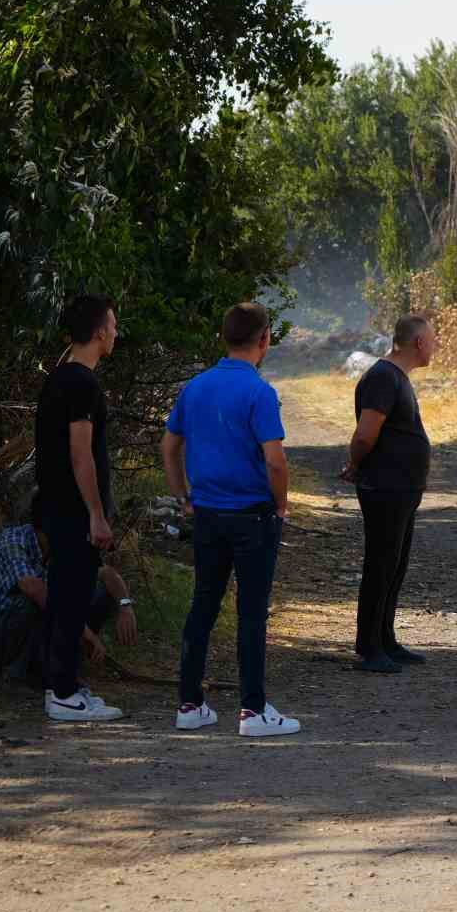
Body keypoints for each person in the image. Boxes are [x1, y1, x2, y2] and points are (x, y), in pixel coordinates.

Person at [162, 302, 300, 738]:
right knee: (252, 612)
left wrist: (183, 495)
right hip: (252, 515)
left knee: (203, 603)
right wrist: (281, 505)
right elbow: (275, 461)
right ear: (265, 340)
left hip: (207, 513)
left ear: (224, 337)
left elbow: (168, 447)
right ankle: (253, 710)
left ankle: (190, 702)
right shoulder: (260, 392)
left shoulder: (196, 386)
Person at [33, 294, 124, 721]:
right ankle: (64, 693)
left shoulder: (58, 378)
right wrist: (95, 513)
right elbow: (80, 454)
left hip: (54, 506)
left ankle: (60, 685)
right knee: (71, 600)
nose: (116, 332)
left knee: (65, 597)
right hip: (73, 512)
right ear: (99, 331)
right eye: (113, 324)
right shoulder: (81, 383)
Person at [342, 315, 435, 674]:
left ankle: (386, 639)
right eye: (432, 339)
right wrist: (354, 464)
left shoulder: (397, 377)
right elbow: (366, 434)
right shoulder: (382, 377)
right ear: (417, 343)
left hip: (402, 488)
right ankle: (368, 646)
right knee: (381, 564)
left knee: (395, 565)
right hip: (385, 488)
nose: (435, 345)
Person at [0, 501, 138, 683]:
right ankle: (15, 674)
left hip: (28, 632)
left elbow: (106, 573)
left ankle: (59, 663)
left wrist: (125, 606)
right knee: (33, 600)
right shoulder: (12, 542)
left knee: (99, 592)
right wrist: (84, 630)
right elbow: (34, 589)